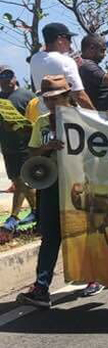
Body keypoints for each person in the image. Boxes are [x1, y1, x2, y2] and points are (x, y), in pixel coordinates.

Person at [15, 76, 77, 308]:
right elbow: (32, 154)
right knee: (51, 236)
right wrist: (46, 147)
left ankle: (95, 276)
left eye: (56, 98)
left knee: (87, 232)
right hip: (51, 185)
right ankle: (41, 287)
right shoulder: (41, 121)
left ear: (67, 96)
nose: (51, 103)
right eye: (47, 99)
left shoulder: (84, 118)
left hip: (78, 185)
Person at [0, 67, 37, 235]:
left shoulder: (27, 96)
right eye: (2, 76)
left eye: (9, 74)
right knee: (19, 180)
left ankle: (15, 216)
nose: (6, 79)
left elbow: (37, 119)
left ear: (15, 77)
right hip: (8, 149)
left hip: (25, 147)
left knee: (23, 181)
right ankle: (36, 212)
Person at [29, 23, 93, 109]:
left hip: (45, 114)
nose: (70, 42)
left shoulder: (34, 59)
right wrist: (97, 117)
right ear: (60, 39)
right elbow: (80, 96)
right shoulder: (66, 61)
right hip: (66, 116)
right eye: (68, 38)